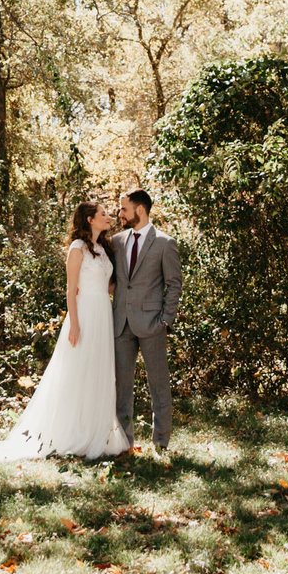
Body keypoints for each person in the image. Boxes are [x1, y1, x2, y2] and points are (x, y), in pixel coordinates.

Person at [0, 200, 130, 463]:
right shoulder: (77, 248)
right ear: (90, 219)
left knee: (98, 369)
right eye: (103, 214)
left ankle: (97, 430)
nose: (109, 217)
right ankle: (73, 432)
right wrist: (75, 323)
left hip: (103, 313)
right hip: (83, 314)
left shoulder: (104, 248)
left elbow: (109, 286)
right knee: (78, 370)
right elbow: (71, 289)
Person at [109, 187, 179, 454]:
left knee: (159, 385)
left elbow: (174, 285)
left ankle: (161, 442)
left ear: (140, 209)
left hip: (152, 324)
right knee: (122, 387)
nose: (120, 213)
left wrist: (165, 320)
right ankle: (124, 443)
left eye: (124, 208)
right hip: (121, 324)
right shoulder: (116, 241)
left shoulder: (165, 243)